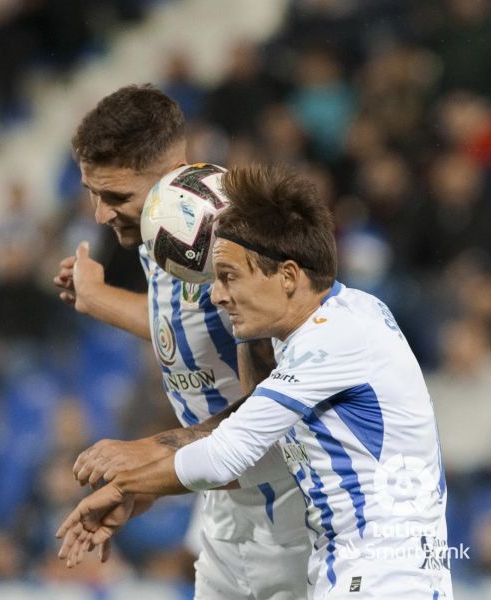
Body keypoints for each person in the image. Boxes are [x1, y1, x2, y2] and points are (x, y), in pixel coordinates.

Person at [57, 165, 453, 599]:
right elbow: (261, 456)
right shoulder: (343, 317)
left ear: (286, 276)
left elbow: (229, 452)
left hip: (382, 577)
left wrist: (124, 483)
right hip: (364, 570)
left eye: (229, 277)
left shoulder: (333, 340)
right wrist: (146, 486)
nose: (217, 294)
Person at [54, 84, 310, 598]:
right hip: (223, 500)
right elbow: (186, 326)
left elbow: (272, 407)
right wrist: (98, 298)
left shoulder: (235, 241)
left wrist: (147, 463)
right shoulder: (167, 228)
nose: (101, 214)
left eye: (116, 197)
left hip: (292, 510)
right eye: (91, 192)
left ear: (172, 171)